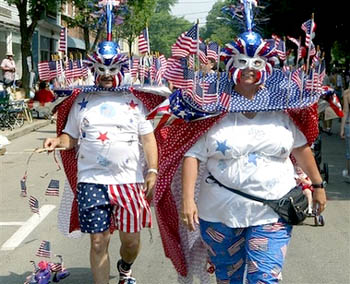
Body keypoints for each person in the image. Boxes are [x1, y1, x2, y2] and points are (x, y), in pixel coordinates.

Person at [149, 2, 327, 283]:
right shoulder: (211, 110)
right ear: (230, 65)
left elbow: (301, 148)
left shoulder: (283, 110)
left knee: (264, 278)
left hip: (273, 211)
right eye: (242, 61)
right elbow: (192, 156)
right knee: (228, 278)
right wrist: (187, 202)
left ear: (267, 66)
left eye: (256, 62)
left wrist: (317, 186)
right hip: (219, 213)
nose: (249, 68)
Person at [43, 40, 158, 284]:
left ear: (121, 69)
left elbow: (148, 139)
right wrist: (58, 142)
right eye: (101, 70)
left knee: (131, 241)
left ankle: (125, 266)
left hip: (129, 181)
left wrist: (153, 170)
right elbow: (70, 137)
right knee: (98, 242)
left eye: (112, 70)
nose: (106, 75)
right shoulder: (82, 101)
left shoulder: (135, 102)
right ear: (93, 69)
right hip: (91, 181)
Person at [340, 86, 350, 182]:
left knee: (349, 152)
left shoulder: (347, 93)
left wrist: (342, 128)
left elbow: (345, 111)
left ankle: (349, 173)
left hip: (349, 125)